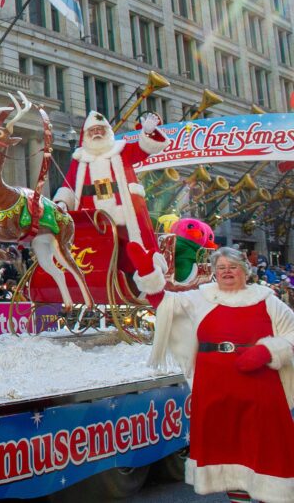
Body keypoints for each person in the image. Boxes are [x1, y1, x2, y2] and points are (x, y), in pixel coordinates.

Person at [133, 245, 294, 501]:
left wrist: (267, 350)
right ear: (214, 273)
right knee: (228, 452)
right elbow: (164, 304)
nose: (227, 272)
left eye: (233, 267)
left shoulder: (267, 299)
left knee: (264, 448)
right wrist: (148, 276)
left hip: (261, 387)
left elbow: (291, 333)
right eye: (221, 268)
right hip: (216, 387)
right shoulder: (201, 298)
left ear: (245, 270)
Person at [54, 110, 170, 271]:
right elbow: (69, 184)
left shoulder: (121, 150)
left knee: (131, 253)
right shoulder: (80, 159)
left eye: (100, 129)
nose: (96, 133)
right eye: (92, 130)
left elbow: (144, 149)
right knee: (95, 255)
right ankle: (100, 283)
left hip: (124, 212)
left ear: (107, 131)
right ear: (86, 134)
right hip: (91, 216)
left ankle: (137, 283)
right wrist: (62, 202)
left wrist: (148, 133)